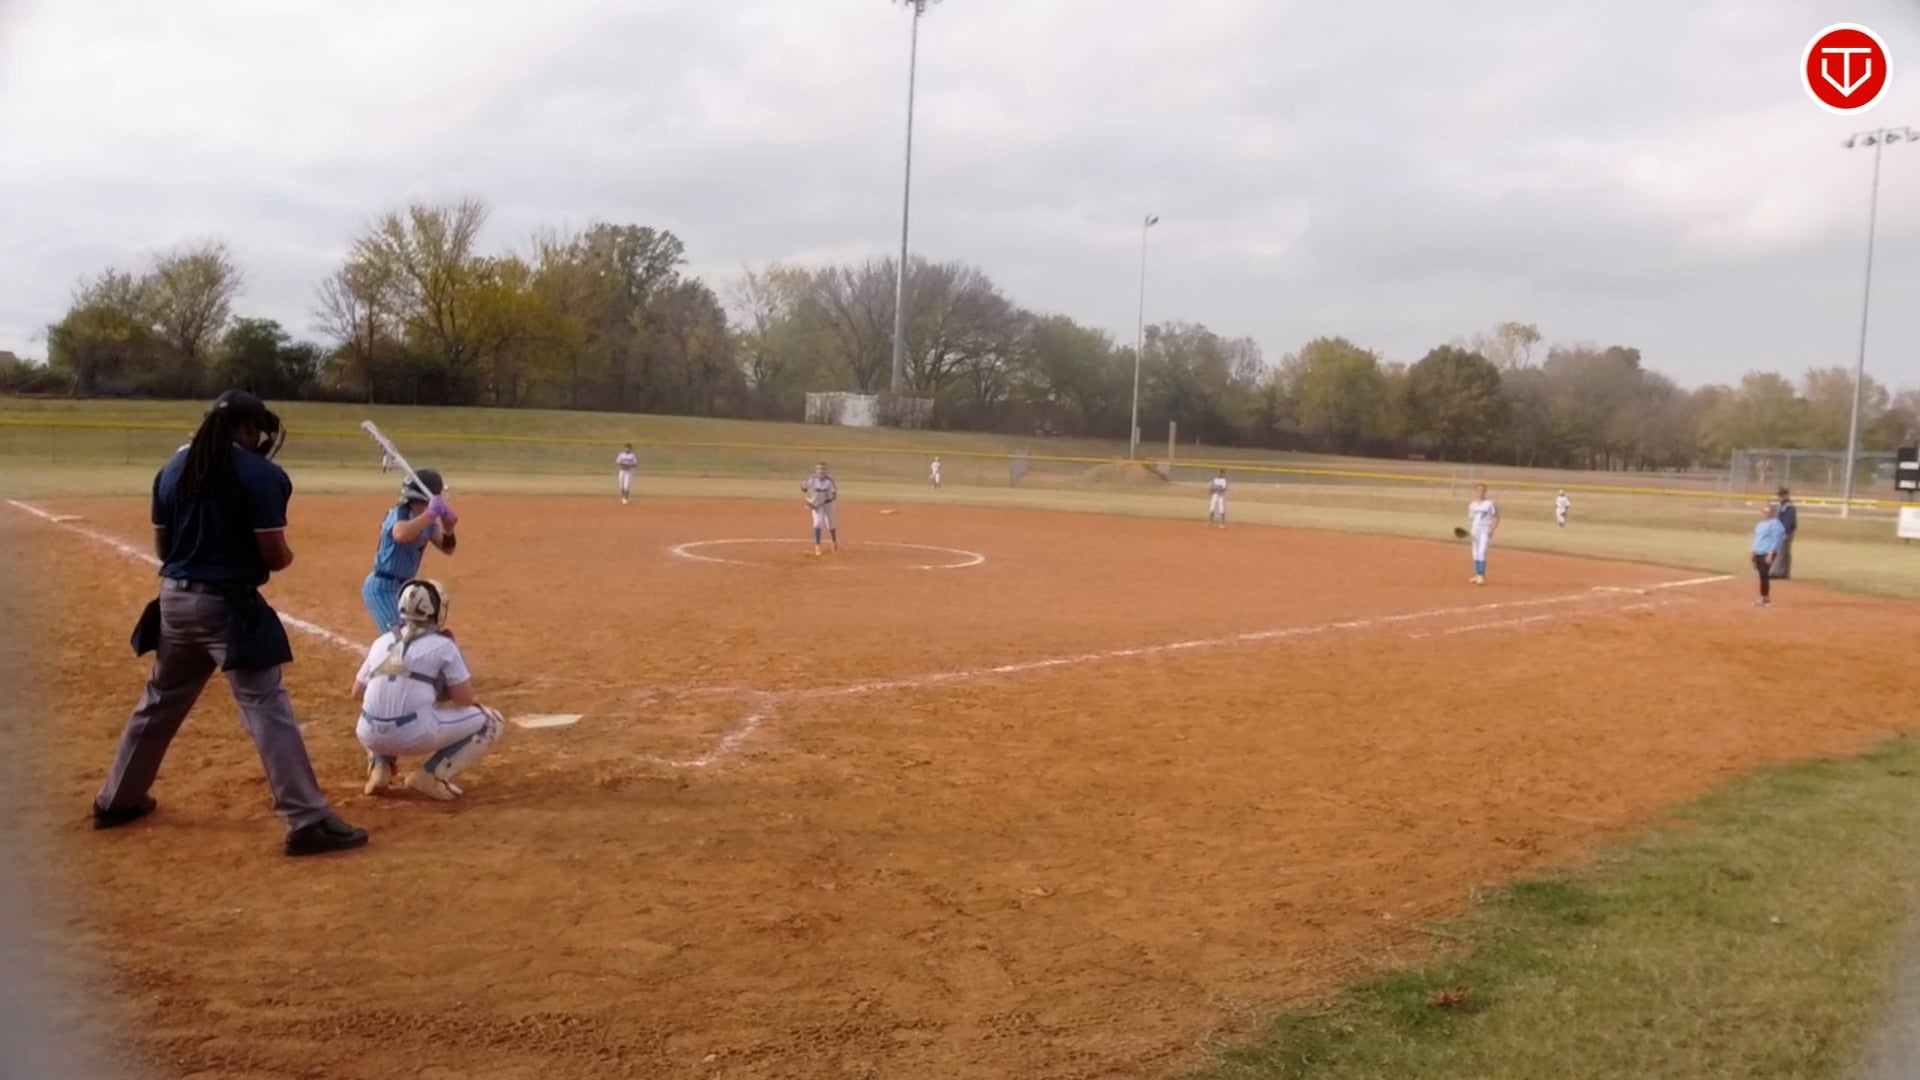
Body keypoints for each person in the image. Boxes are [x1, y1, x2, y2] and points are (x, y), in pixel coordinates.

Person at [91, 389, 368, 857]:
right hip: (228, 607)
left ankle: (116, 800)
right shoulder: (261, 474)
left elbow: (163, 549)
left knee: (159, 701)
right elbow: (273, 555)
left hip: (174, 602)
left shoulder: (172, 469)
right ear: (249, 429)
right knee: (266, 707)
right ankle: (307, 819)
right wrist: (282, 556)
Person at [352, 578, 505, 801]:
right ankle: (431, 775)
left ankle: (380, 765)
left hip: (368, 734)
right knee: (491, 721)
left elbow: (357, 693)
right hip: (415, 734)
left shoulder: (381, 641)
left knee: (382, 705)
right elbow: (464, 699)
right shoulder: (444, 645)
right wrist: (435, 688)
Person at [362, 469, 457, 635]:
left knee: (417, 634)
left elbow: (447, 548)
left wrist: (449, 530)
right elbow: (401, 535)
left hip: (406, 588)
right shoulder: (400, 513)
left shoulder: (427, 521)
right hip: (383, 586)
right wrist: (430, 514)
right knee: (398, 637)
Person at [1751, 503, 1788, 608]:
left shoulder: (1776, 524)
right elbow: (1756, 539)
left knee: (1764, 575)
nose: (1765, 514)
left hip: (1767, 552)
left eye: (1767, 512)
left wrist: (1771, 553)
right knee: (1761, 575)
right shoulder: (1760, 524)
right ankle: (1764, 597)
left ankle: (1764, 598)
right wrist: (1753, 553)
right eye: (1764, 512)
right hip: (1758, 551)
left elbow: (1777, 539)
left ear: (1772, 513)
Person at [802, 462, 839, 557]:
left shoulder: (830, 481)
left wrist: (824, 502)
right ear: (816, 470)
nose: (821, 471)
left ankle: (834, 542)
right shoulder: (811, 479)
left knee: (831, 524)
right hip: (816, 505)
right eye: (819, 469)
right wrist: (809, 500)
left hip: (828, 504)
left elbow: (834, 496)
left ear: (826, 470)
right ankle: (817, 546)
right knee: (818, 523)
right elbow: (804, 489)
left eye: (823, 469)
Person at [1467, 482, 1499, 585]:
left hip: (1485, 530)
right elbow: (1472, 519)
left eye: (1482, 490)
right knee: (1475, 553)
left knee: (1482, 552)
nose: (1480, 492)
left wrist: (1492, 529)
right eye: (1478, 490)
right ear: (1475, 491)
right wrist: (1471, 531)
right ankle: (1477, 574)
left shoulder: (1489, 503)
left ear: (1485, 492)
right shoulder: (1472, 505)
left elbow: (1496, 517)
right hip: (1475, 531)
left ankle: (1481, 575)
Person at [1773, 487, 1796, 579]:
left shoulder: (1788, 507)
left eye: (1782, 495)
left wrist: (1784, 532)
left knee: (1781, 552)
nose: (1780, 497)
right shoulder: (1782, 506)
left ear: (1786, 495)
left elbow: (1788, 521)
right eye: (1779, 495)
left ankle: (1778, 572)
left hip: (1785, 532)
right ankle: (1785, 572)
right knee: (1785, 553)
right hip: (1782, 531)